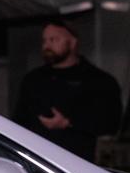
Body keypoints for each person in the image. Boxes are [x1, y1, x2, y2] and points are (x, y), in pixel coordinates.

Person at [12, 19, 123, 162]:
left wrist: (69, 123)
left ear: (72, 42)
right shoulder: (33, 80)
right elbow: (19, 123)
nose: (47, 45)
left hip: (78, 168)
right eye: (44, 40)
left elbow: (111, 123)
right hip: (37, 164)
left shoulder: (99, 81)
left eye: (54, 39)